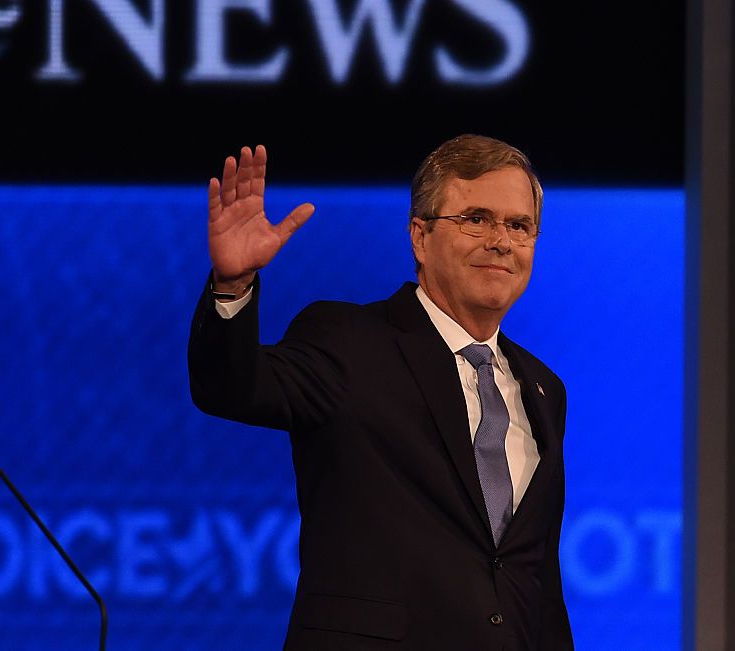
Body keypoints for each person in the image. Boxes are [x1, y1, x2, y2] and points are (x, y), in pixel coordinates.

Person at [188, 134, 573, 649]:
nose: (501, 240)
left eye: (519, 225)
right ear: (420, 236)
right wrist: (232, 285)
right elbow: (231, 387)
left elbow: (536, 579)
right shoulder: (350, 341)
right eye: (475, 219)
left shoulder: (545, 389)